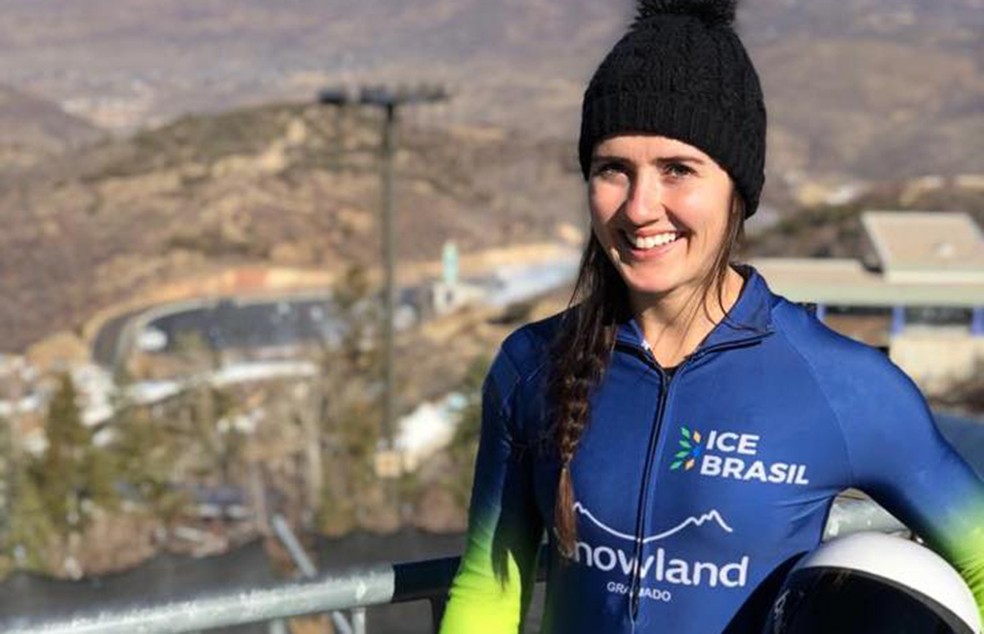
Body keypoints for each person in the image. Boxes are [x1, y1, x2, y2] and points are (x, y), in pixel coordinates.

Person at [439, 0, 984, 632]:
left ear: (737, 192)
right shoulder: (533, 366)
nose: (640, 207)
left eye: (678, 170)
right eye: (613, 169)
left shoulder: (844, 386)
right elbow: (489, 584)